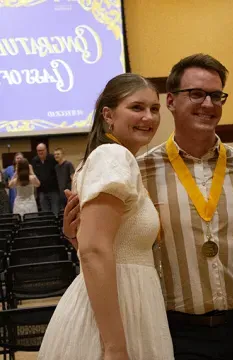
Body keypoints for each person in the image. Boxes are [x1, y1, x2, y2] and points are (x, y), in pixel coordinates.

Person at [63, 54, 233, 360]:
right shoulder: (137, 170)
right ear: (172, 101)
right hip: (178, 332)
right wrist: (75, 237)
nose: (208, 104)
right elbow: (109, 242)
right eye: (196, 94)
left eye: (216, 95)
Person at [38, 73, 174, 360]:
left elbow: (97, 246)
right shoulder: (113, 156)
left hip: (121, 300)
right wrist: (115, 347)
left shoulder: (108, 158)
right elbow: (95, 251)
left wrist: (76, 238)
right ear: (108, 115)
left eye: (154, 108)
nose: (148, 117)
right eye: (136, 107)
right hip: (119, 311)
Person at [31, 143, 60, 214]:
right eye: (38, 151)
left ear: (46, 150)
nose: (40, 152)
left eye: (42, 150)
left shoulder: (53, 158)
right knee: (45, 213)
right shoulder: (34, 160)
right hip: (41, 192)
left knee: (55, 212)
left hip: (54, 191)